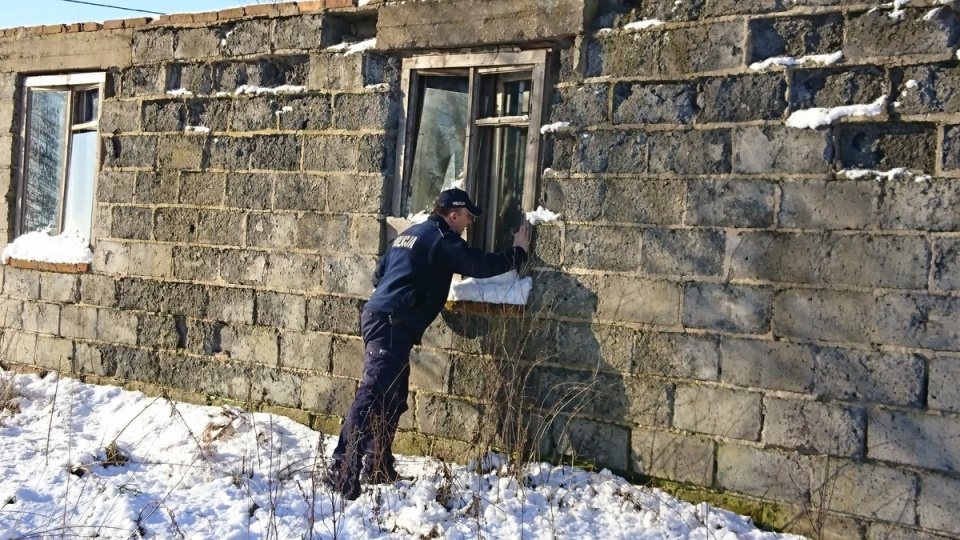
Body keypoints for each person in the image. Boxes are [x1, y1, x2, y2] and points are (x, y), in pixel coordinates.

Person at [328, 188, 531, 500]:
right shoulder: (442, 238)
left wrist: (411, 287)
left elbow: (379, 273)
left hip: (383, 318)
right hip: (391, 324)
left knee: (393, 398)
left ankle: (378, 465)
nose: (470, 223)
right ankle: (342, 470)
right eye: (467, 216)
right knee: (372, 395)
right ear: (453, 215)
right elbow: (477, 265)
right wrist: (517, 253)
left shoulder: (411, 234)